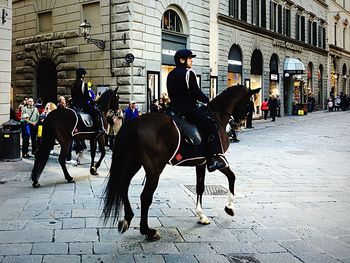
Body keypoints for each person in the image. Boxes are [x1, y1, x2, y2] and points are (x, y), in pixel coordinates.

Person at [167, 48, 227, 172]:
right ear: (182, 60)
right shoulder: (189, 73)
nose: (191, 61)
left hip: (173, 110)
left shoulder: (171, 74)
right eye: (190, 58)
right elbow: (195, 92)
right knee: (211, 127)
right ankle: (211, 160)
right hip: (189, 110)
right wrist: (207, 100)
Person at [70, 68, 104, 133]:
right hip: (83, 106)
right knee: (96, 112)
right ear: (82, 75)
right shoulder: (83, 84)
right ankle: (97, 129)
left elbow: (72, 96)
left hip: (74, 106)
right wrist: (95, 101)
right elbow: (87, 97)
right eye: (84, 75)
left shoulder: (73, 85)